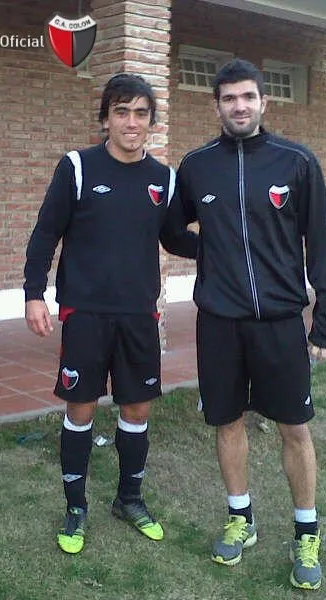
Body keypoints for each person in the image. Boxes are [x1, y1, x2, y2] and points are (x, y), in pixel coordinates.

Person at [176, 58, 326, 590]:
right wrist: (211, 252)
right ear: (217, 105)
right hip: (220, 323)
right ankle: (241, 518)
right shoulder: (198, 165)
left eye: (248, 97)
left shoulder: (295, 162)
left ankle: (306, 533)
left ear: (263, 102)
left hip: (279, 322)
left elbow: (320, 240)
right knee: (228, 422)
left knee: (294, 428)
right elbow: (172, 228)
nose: (239, 106)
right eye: (229, 99)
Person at [23, 73, 197, 555]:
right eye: (121, 111)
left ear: (152, 122)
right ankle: (75, 507)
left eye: (141, 113)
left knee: (136, 409)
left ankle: (129, 499)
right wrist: (33, 293)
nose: (131, 122)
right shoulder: (77, 168)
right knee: (80, 408)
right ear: (105, 118)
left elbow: (175, 238)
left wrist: (226, 243)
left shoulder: (164, 179)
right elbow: (45, 234)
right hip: (86, 312)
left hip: (140, 314)